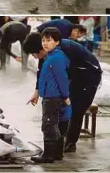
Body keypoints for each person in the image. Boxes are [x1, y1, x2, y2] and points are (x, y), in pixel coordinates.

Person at [23, 32, 102, 154]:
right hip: (74, 76)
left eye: (34, 54)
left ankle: (70, 144)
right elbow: (42, 72)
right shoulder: (47, 51)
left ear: (40, 49)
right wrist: (37, 92)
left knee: (76, 110)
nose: (33, 57)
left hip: (88, 76)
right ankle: (60, 142)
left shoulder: (62, 51)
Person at [30, 28, 71, 164]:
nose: (45, 43)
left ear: (57, 42)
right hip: (49, 95)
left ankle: (48, 155)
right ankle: (57, 153)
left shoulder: (57, 58)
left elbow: (62, 78)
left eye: (49, 40)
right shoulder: (51, 56)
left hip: (53, 97)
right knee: (53, 125)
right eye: (43, 40)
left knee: (48, 125)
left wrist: (65, 95)